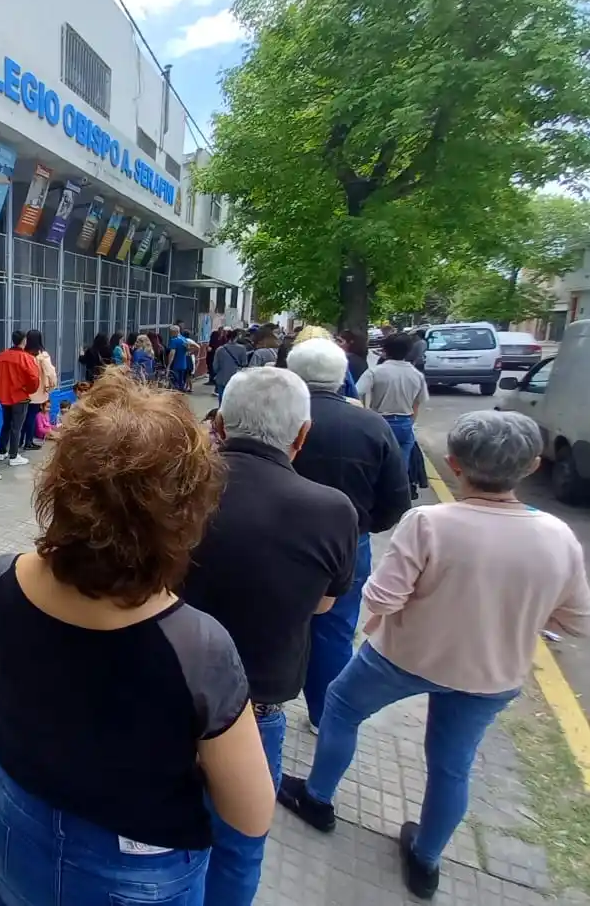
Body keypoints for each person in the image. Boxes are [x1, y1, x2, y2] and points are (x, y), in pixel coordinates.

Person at [0, 369, 277, 905]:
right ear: (186, 511)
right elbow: (250, 812)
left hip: (15, 821)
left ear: (60, 483)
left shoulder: (4, 579)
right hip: (135, 865)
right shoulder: (200, 647)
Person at [279, 411, 590, 900]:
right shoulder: (557, 537)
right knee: (452, 764)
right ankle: (426, 858)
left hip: (404, 657)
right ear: (532, 465)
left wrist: (391, 621)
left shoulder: (429, 522)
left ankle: (317, 797)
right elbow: (575, 620)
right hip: (493, 672)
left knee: (341, 706)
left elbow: (381, 597)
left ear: (454, 464)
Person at [182, 367, 358, 905]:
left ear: (217, 423)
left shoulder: (177, 488)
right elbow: (325, 604)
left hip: (161, 692)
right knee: (238, 846)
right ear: (302, 435)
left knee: (158, 835)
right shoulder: (332, 511)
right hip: (254, 711)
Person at [286, 339, 412, 732]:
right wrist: (362, 528)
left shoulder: (278, 417)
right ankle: (325, 716)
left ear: (292, 371)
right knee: (335, 631)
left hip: (279, 536)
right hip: (346, 544)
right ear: (343, 376)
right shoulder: (372, 425)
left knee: (269, 619)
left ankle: (256, 707)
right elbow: (396, 500)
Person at [356, 332, 427, 472]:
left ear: (385, 350)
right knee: (401, 466)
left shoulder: (375, 372)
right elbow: (417, 403)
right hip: (405, 423)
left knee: (377, 464)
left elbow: (356, 393)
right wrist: (410, 422)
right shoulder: (417, 375)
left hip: (380, 422)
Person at [0, 329, 39, 467]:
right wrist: (29, 390)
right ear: (24, 341)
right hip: (19, 396)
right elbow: (34, 378)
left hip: (4, 396)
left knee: (6, 424)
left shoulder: (2, 356)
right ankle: (14, 456)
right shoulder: (26, 358)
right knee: (17, 426)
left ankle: (2, 452)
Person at [19, 329, 58, 451]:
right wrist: (52, 385)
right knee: (31, 416)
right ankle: (29, 442)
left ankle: (20, 440)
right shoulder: (42, 355)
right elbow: (50, 372)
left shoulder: (23, 354)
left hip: (24, 390)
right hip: (37, 391)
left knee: (24, 417)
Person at [211, 330, 250, 402]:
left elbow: (215, 366)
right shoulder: (242, 349)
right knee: (234, 399)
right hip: (236, 378)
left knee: (222, 399)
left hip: (222, 378)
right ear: (236, 337)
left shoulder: (220, 349)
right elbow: (244, 364)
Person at [166, 324, 192, 390]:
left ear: (175, 332)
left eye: (171, 332)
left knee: (174, 384)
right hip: (183, 364)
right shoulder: (184, 339)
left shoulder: (174, 340)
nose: (170, 334)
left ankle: (176, 398)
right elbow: (188, 350)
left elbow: (172, 354)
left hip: (175, 365)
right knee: (181, 383)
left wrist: (168, 365)